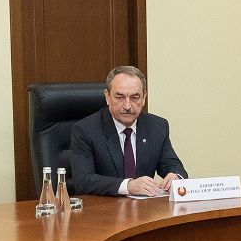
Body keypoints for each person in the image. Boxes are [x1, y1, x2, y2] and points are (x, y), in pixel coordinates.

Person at [68, 65, 187, 197]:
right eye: (120, 97)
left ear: (144, 97)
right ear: (107, 96)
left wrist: (176, 177)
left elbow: (173, 165)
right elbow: (83, 181)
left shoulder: (157, 126)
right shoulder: (85, 130)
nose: (127, 106)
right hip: (105, 207)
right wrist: (128, 186)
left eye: (134, 97)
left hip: (145, 208)